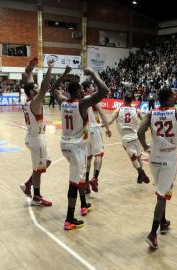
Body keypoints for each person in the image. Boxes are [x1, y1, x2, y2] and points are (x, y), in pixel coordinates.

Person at [51, 66, 109, 230]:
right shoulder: (82, 104)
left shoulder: (63, 102)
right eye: (81, 91)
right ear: (77, 92)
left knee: (81, 176)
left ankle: (83, 204)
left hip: (65, 144)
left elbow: (53, 89)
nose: (83, 92)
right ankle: (69, 218)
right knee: (74, 182)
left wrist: (63, 74)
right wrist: (94, 74)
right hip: (77, 147)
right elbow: (104, 90)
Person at [137, 87, 177, 249]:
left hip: (154, 158)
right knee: (162, 194)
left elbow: (140, 132)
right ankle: (153, 233)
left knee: (163, 188)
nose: (175, 98)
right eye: (173, 96)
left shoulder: (150, 113)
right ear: (168, 98)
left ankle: (163, 222)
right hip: (169, 158)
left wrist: (146, 146)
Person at [19, 57, 54, 206]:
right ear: (32, 92)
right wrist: (50, 68)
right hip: (37, 139)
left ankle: (28, 184)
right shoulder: (35, 102)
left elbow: (28, 78)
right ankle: (36, 197)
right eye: (36, 88)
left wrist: (30, 68)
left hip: (32, 137)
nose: (38, 89)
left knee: (46, 161)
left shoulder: (28, 100)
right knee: (39, 169)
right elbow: (45, 88)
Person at [107, 93, 150, 184]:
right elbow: (145, 122)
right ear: (132, 100)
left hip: (125, 137)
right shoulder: (137, 110)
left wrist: (101, 125)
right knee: (139, 156)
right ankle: (140, 176)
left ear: (124, 99)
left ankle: (140, 171)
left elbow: (109, 122)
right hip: (136, 136)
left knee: (133, 158)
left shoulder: (118, 110)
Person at [82, 80, 111, 195]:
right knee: (98, 154)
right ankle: (94, 178)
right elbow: (102, 113)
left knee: (88, 157)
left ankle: (85, 183)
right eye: (91, 86)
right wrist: (108, 127)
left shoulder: (81, 100)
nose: (93, 88)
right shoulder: (93, 98)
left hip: (84, 131)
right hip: (94, 129)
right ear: (87, 89)